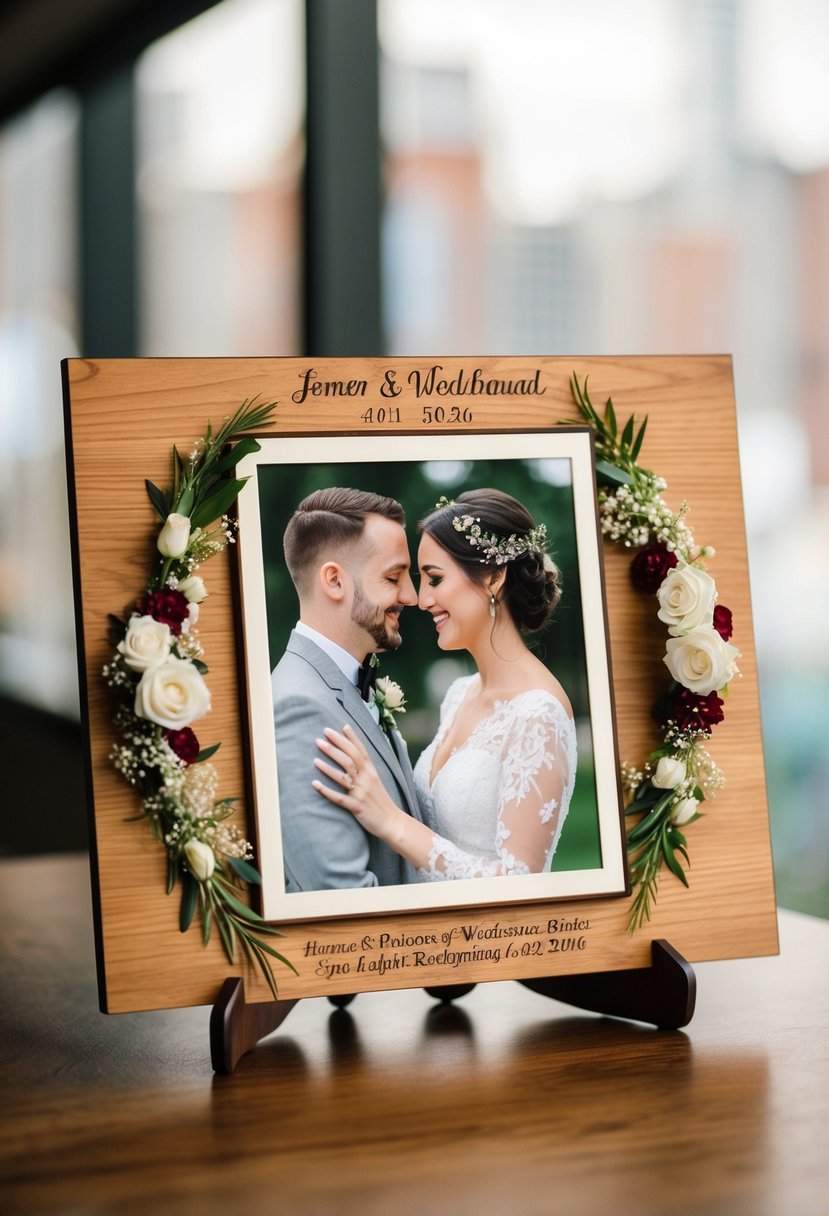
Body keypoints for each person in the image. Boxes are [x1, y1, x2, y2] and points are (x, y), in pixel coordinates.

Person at [313, 488, 577, 881]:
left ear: (493, 576)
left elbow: (519, 883)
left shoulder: (538, 714)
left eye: (434, 579)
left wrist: (391, 821)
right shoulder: (458, 694)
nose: (421, 599)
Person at [272, 487, 424, 892]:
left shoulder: (345, 684)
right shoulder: (298, 707)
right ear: (335, 581)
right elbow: (340, 898)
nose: (411, 595)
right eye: (393, 577)